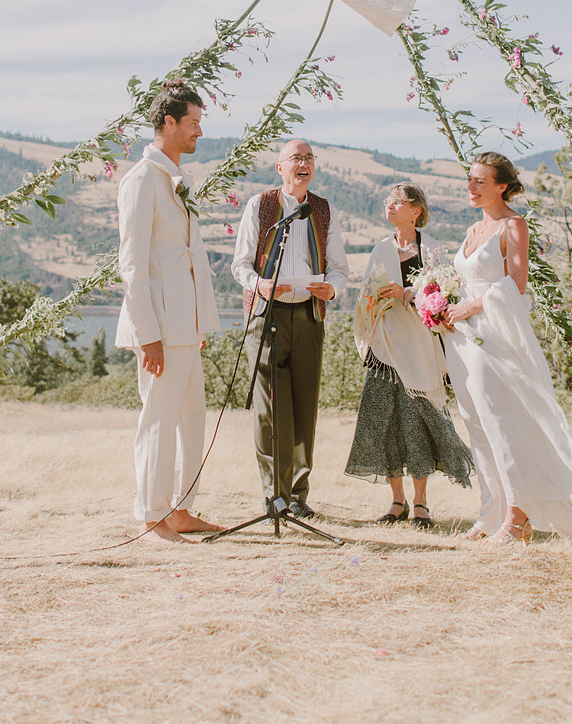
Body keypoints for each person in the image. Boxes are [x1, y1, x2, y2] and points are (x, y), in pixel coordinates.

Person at [441, 152, 572, 545]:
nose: (471, 187)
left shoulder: (512, 225)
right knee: (477, 424)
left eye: (479, 181)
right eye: (469, 180)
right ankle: (492, 513)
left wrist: (470, 305)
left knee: (502, 423)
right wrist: (438, 301)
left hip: (494, 336)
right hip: (462, 340)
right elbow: (462, 280)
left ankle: (518, 518)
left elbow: (515, 285)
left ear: (501, 186)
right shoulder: (472, 230)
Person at [114, 80, 224, 545]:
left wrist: (197, 321)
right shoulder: (141, 180)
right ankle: (152, 515)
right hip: (160, 328)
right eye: (193, 123)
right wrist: (148, 335)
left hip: (186, 327)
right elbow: (133, 263)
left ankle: (180, 509)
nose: (199, 131)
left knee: (191, 415)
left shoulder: (174, 181)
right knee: (158, 419)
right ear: (168, 123)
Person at [230, 139, 349, 518]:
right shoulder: (261, 205)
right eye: (296, 158)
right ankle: (274, 495)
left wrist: (332, 287)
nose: (304, 164)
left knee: (303, 407)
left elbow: (340, 268)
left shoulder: (324, 210)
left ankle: (298, 494)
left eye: (309, 158)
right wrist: (259, 285)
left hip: (309, 316)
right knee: (270, 408)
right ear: (279, 167)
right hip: (267, 317)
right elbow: (240, 265)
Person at [345, 182, 473, 527]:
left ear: (416, 210)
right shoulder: (380, 249)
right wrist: (374, 300)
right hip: (386, 348)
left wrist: (407, 294)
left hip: (420, 347)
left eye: (397, 201)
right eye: (388, 200)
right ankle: (396, 501)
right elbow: (365, 296)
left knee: (419, 423)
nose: (389, 205)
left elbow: (444, 295)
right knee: (385, 422)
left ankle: (421, 502)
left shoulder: (431, 249)